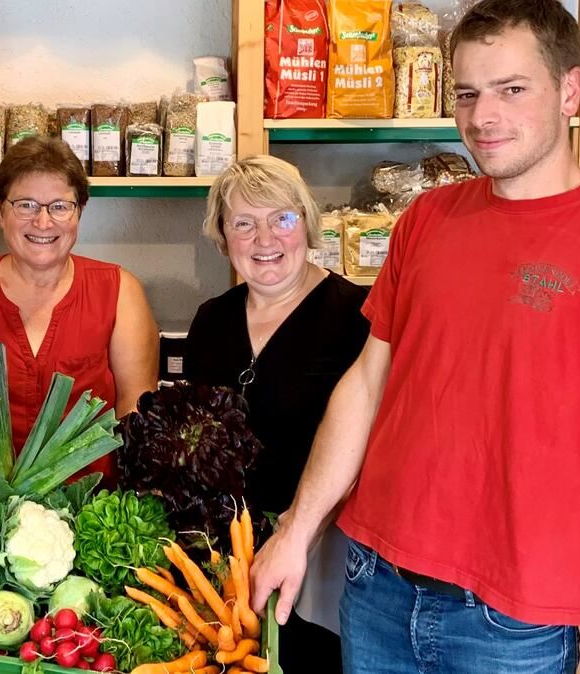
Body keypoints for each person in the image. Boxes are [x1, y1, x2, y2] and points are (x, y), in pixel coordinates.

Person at [250, 1, 580, 673]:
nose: (483, 117)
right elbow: (367, 383)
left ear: (569, 91)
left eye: (513, 89)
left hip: (515, 623)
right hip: (376, 584)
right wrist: (296, 529)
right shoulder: (427, 219)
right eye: (468, 94)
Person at [186, 155, 368, 672]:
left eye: (281, 219)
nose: (264, 239)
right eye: (243, 223)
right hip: (223, 572)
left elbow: (368, 456)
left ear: (306, 224)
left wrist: (297, 536)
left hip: (322, 565)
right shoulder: (211, 321)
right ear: (223, 237)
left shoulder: (358, 316)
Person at [0, 136, 158, 484]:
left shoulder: (120, 292)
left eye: (60, 206)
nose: (43, 222)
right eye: (26, 205)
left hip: (91, 508)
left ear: (79, 212)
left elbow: (135, 414)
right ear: (0, 210)